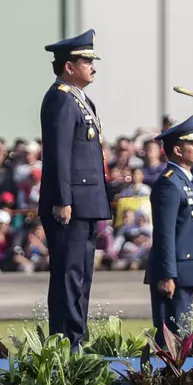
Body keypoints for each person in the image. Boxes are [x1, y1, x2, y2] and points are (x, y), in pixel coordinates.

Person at [39, 29, 111, 347]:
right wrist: (62, 199)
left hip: (87, 201)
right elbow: (59, 153)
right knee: (68, 275)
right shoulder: (60, 99)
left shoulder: (81, 100)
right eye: (86, 61)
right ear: (69, 66)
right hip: (71, 204)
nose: (92, 66)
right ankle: (66, 340)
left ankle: (77, 336)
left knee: (82, 275)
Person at [143, 116, 193, 336]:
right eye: (192, 143)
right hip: (174, 273)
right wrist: (167, 275)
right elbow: (164, 234)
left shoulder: (187, 180)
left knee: (182, 337)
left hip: (187, 270)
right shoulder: (169, 183)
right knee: (172, 339)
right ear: (178, 150)